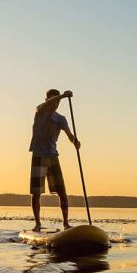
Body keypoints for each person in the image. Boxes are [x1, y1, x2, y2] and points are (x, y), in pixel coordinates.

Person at [29, 89, 81, 232]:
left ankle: (66, 223)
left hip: (53, 156)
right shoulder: (40, 112)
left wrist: (75, 141)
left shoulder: (61, 119)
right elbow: (42, 106)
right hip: (39, 155)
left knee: (62, 192)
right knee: (36, 193)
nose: (55, 104)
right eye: (52, 100)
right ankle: (38, 224)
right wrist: (63, 96)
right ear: (46, 100)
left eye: (57, 102)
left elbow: (70, 135)